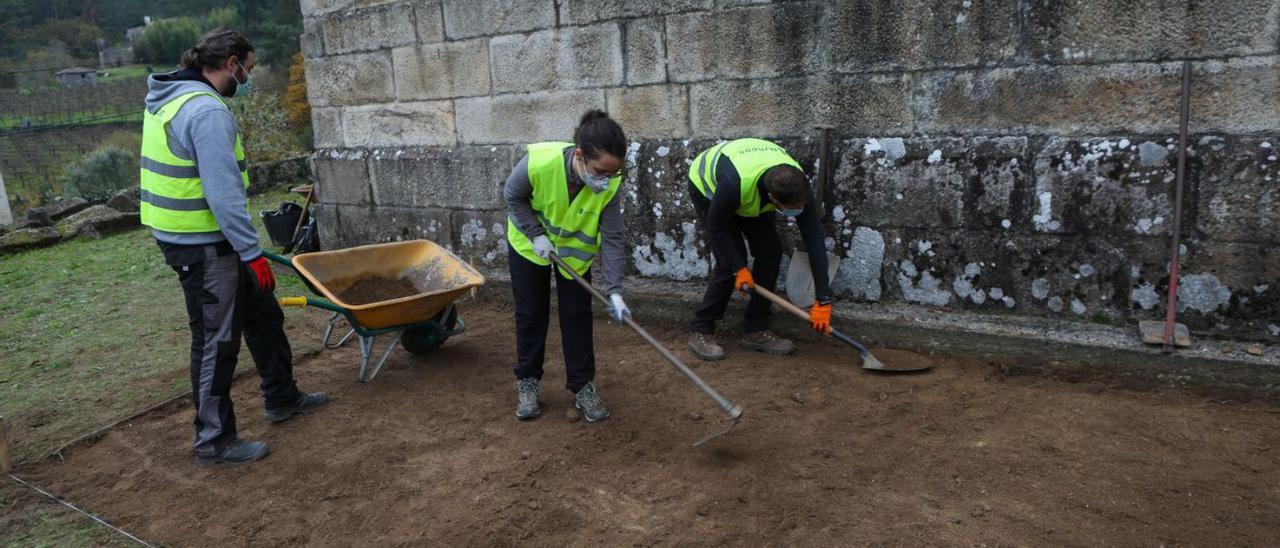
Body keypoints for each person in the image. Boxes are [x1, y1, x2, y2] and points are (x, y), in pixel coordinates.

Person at [140, 28, 328, 465]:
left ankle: (281, 397)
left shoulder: (173, 96)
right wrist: (251, 253)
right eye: (249, 65)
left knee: (263, 315)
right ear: (232, 63)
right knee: (215, 340)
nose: (249, 74)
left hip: (202, 237)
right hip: (203, 245)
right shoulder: (205, 112)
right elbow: (222, 195)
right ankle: (214, 440)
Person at [504, 110, 630, 422]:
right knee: (531, 313)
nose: (605, 180)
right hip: (530, 247)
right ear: (579, 155)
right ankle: (528, 381)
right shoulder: (539, 162)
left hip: (574, 255)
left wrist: (615, 291)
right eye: (600, 171)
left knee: (577, 316)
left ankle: (582, 386)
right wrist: (535, 234)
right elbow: (512, 195)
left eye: (612, 174)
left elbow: (613, 238)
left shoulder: (609, 186)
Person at [685, 138, 834, 361]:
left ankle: (756, 329)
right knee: (728, 264)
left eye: (799, 208)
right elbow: (717, 229)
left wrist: (823, 298)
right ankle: (702, 329)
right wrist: (740, 268)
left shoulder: (797, 186)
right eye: (790, 210)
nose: (797, 212)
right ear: (773, 199)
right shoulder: (735, 185)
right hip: (710, 188)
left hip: (752, 186)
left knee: (771, 252)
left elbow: (813, 239)